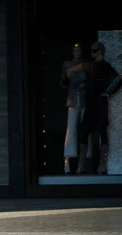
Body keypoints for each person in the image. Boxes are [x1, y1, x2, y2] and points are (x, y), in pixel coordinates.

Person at [77, 41, 120, 174]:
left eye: (94, 51)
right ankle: (81, 164)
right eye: (92, 50)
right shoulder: (90, 66)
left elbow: (118, 79)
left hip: (100, 103)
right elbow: (81, 79)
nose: (92, 53)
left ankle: (102, 165)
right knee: (84, 133)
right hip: (90, 103)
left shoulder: (106, 66)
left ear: (100, 51)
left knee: (102, 133)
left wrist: (108, 92)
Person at [60, 43, 88, 174]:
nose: (77, 52)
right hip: (72, 99)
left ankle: (85, 161)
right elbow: (63, 82)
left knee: (85, 130)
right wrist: (67, 76)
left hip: (83, 99)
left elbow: (88, 79)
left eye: (79, 50)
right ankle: (67, 162)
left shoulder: (85, 64)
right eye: (75, 50)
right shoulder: (67, 64)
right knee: (71, 130)